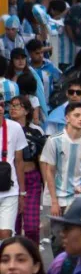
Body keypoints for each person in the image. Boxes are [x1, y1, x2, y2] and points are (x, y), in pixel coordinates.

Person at [40, 102, 81, 217]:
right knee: (58, 228)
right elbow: (49, 171)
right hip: (59, 197)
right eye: (76, 115)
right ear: (67, 118)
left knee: (80, 228)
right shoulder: (54, 140)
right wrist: (54, 201)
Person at [9, 95, 45, 243]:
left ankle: (33, 253)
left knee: (31, 227)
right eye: (11, 105)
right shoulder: (5, 129)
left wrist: (46, 184)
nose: (13, 108)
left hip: (32, 179)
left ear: (27, 111)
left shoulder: (36, 131)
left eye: (17, 105)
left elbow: (42, 159)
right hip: (11, 180)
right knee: (13, 227)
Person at [0, 93, 27, 239]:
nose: (0, 108)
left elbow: (19, 162)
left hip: (9, 189)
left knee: (6, 234)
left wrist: (22, 193)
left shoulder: (15, 128)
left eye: (2, 105)